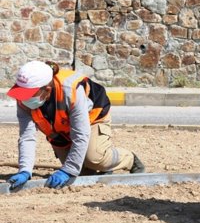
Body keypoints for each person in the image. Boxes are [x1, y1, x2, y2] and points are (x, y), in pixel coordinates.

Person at [5, 61, 146, 190]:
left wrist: (69, 169)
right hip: (60, 130)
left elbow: (81, 134)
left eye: (29, 94)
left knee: (94, 158)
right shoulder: (24, 101)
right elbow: (27, 136)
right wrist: (25, 170)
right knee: (83, 172)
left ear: (47, 90)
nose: (24, 99)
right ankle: (102, 168)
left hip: (92, 118)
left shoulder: (70, 91)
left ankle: (129, 159)